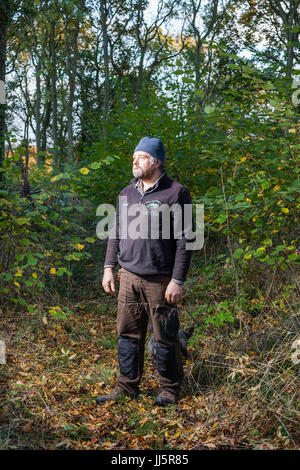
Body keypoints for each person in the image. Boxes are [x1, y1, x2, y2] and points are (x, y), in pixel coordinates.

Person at [96, 136, 194, 406]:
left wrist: (177, 280)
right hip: (127, 277)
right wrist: (108, 267)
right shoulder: (126, 193)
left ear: (156, 161)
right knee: (128, 333)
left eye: (140, 156)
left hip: (160, 281)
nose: (134, 160)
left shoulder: (176, 193)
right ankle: (127, 386)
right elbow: (115, 232)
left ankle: (169, 389)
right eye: (134, 156)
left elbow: (186, 240)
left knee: (165, 336)